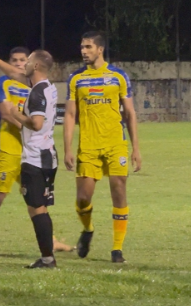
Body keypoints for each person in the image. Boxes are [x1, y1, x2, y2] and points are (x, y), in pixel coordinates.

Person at [0, 42, 61, 268]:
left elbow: (36, 123)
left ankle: (48, 259)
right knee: (38, 207)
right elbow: (14, 74)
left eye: (28, 60)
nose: (24, 65)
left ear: (37, 65)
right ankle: (48, 252)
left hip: (34, 157)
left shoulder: (36, 93)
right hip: (47, 154)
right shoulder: (48, 87)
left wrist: (17, 114)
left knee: (37, 208)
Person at [63, 31, 141, 264]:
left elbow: (130, 113)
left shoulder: (118, 76)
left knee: (119, 190)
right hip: (88, 146)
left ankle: (117, 249)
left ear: (100, 49)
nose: (83, 51)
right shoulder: (76, 78)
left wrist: (136, 148)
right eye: (82, 47)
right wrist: (67, 148)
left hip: (115, 143)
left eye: (88, 47)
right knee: (83, 198)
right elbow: (70, 114)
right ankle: (88, 229)